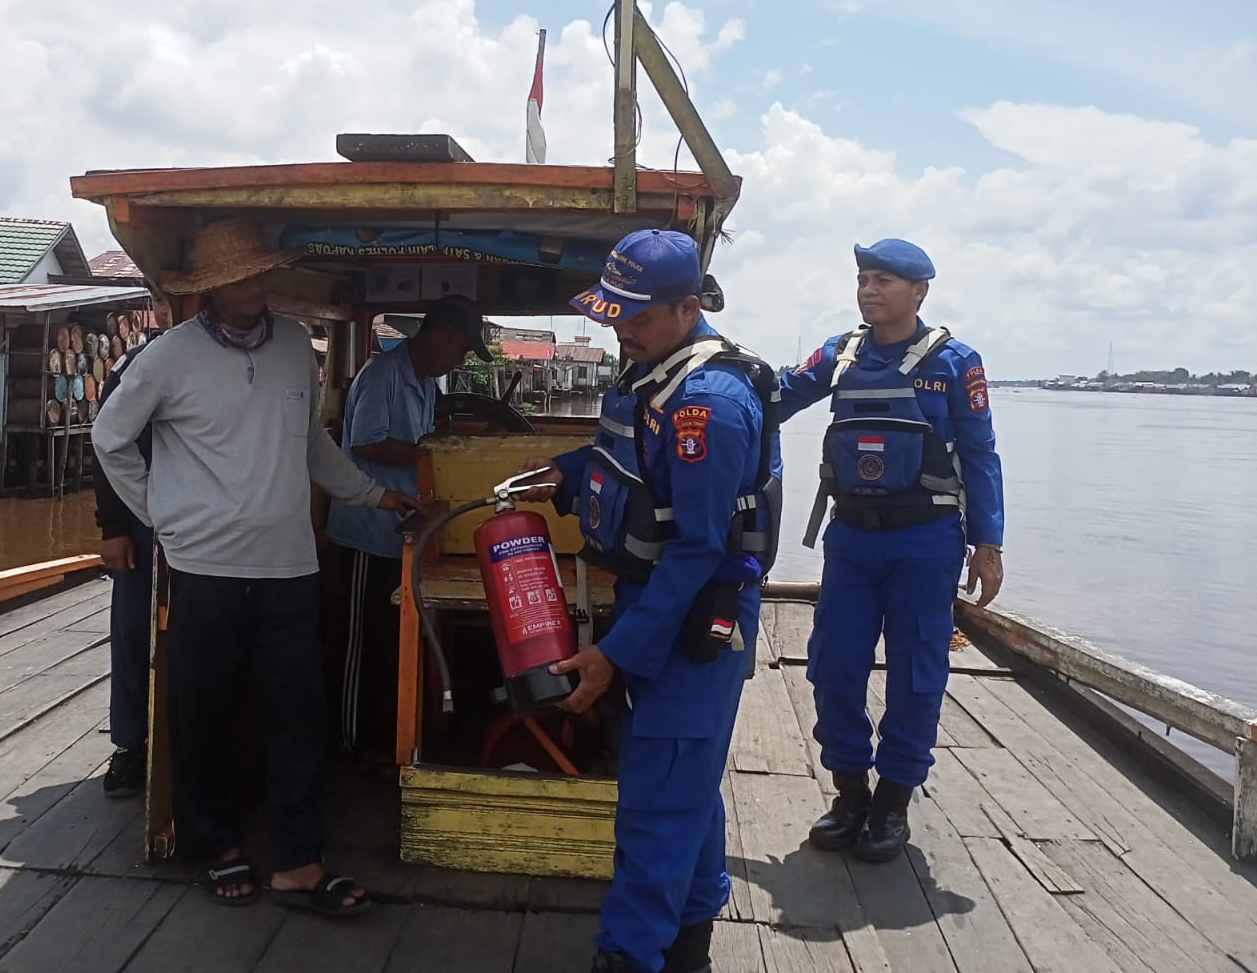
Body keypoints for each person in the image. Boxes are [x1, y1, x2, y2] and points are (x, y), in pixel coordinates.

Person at [93, 218, 419, 916]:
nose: (252, 284)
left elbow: (311, 447)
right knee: (203, 712)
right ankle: (215, 846)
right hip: (202, 566)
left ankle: (299, 861)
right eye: (236, 276)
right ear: (209, 287)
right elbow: (109, 437)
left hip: (289, 566)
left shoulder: (297, 346)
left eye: (258, 271)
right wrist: (159, 516)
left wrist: (370, 492)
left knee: (298, 714)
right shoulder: (169, 356)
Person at [514, 229, 781, 973]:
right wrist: (564, 472)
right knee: (679, 785)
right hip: (648, 598)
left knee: (656, 805)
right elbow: (627, 460)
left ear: (687, 307)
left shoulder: (709, 404)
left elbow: (698, 548)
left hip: (691, 616)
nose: (617, 329)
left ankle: (629, 956)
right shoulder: (650, 372)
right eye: (613, 314)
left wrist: (613, 655)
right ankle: (690, 948)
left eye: (633, 318)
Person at [778, 238, 1004, 862]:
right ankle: (849, 792)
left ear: (920, 290)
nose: (869, 290)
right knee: (834, 663)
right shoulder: (839, 355)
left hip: (927, 540)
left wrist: (989, 542)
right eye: (863, 278)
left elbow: (981, 455)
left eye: (883, 280)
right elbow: (774, 398)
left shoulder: (955, 362)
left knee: (916, 671)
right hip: (850, 538)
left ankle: (893, 801)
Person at [326, 295, 491, 763]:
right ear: (439, 336)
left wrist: (454, 439)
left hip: (401, 532)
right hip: (366, 531)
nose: (459, 360)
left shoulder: (423, 382)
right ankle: (351, 744)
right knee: (364, 644)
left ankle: (386, 737)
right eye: (460, 350)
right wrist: (432, 454)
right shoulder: (383, 375)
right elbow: (367, 440)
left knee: (391, 644)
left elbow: (425, 436)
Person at [89, 288, 171, 798]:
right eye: (164, 299)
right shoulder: (134, 366)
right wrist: (112, 528)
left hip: (207, 521)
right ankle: (129, 744)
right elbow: (106, 445)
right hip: (142, 521)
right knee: (133, 629)